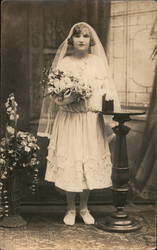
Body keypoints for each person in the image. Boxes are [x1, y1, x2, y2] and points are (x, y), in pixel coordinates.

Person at [37, 22, 121, 225]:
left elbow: (106, 92)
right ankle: (70, 209)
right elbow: (55, 98)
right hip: (70, 120)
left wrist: (102, 98)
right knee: (72, 162)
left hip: (90, 121)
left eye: (85, 36)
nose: (81, 40)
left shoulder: (98, 63)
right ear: (71, 40)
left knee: (87, 162)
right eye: (77, 36)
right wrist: (69, 98)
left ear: (91, 40)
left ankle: (84, 208)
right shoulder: (65, 63)